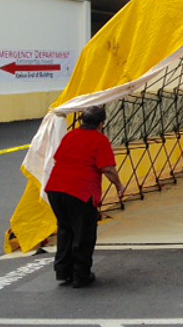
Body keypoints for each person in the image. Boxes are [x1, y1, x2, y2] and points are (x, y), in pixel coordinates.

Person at [45, 105, 124, 288]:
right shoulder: (99, 140)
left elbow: (58, 159)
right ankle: (81, 274)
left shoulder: (70, 136)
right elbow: (107, 168)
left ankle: (63, 272)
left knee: (65, 230)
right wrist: (119, 185)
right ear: (102, 124)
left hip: (56, 189)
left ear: (82, 120)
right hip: (80, 192)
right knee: (83, 234)